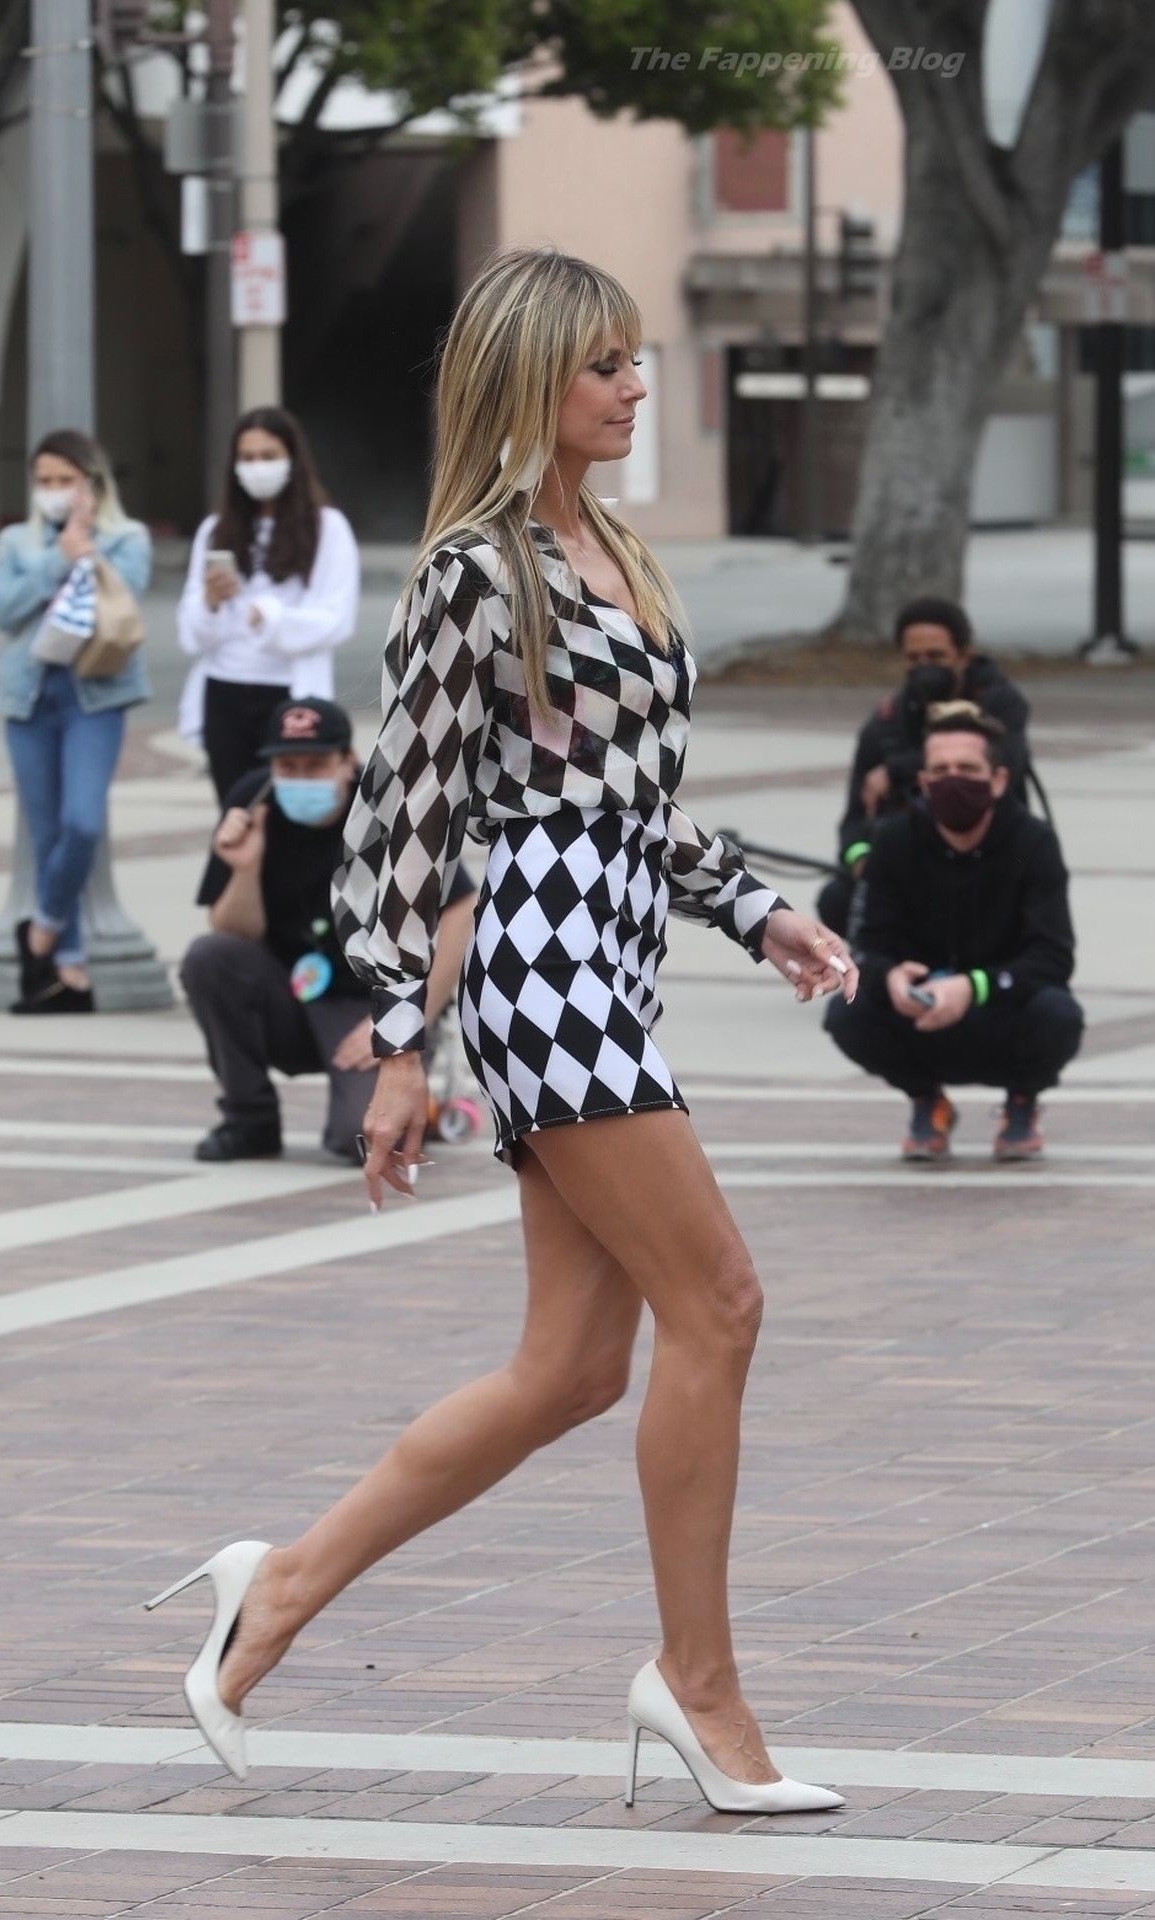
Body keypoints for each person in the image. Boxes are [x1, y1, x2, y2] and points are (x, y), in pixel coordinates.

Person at [143, 247, 856, 1815]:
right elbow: (402, 818)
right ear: (530, 376)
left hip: (611, 958)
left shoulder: (613, 549)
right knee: (721, 1302)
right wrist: (402, 1042)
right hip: (542, 973)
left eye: (635, 358)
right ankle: (699, 1685)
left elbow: (627, 803)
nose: (635, 386)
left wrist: (758, 913)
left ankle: (278, 1586)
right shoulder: (479, 570)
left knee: (573, 1369)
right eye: (605, 363)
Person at [181, 695, 477, 1165]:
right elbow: (232, 929)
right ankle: (249, 1120)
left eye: (315, 764)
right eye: (288, 766)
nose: (300, 778)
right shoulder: (253, 800)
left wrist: (406, 1019)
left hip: (372, 999)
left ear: (347, 762)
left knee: (360, 1140)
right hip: (291, 992)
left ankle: (419, 1103)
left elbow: (460, 908)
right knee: (209, 956)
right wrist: (244, 868)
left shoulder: (385, 809)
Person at [824, 704, 1083, 1161]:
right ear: (923, 782)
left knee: (1059, 1015)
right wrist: (891, 978)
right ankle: (927, 1101)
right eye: (940, 771)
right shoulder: (895, 841)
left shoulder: (1030, 843)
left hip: (1002, 1008)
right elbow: (867, 944)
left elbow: (1053, 956)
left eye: (968, 769)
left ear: (998, 780)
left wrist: (974, 986)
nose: (953, 780)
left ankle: (1022, 1102)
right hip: (920, 1012)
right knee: (848, 1013)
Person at [0, 428, 152, 1013]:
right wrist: (58, 558)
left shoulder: (127, 538)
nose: (54, 490)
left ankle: (42, 931)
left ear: (91, 483)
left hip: (95, 696)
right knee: (46, 834)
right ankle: (68, 970)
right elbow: (0, 610)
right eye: (44, 480)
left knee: (81, 823)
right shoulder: (16, 542)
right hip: (28, 697)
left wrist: (87, 549)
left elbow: (126, 601)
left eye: (65, 479)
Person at [817, 595, 1032, 937]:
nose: (924, 666)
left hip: (994, 856)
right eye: (913, 658)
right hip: (907, 862)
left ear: (963, 655)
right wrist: (860, 859)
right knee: (837, 899)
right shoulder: (885, 723)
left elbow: (1007, 760)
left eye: (936, 656)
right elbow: (854, 819)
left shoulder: (1001, 704)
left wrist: (897, 771)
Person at [176, 406, 359, 801]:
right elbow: (191, 631)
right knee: (235, 808)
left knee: (287, 808)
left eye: (268, 456)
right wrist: (210, 602)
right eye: (247, 458)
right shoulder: (215, 530)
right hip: (224, 689)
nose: (257, 467)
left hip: (289, 693)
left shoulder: (327, 528)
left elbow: (336, 618)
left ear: (292, 459)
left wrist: (270, 618)